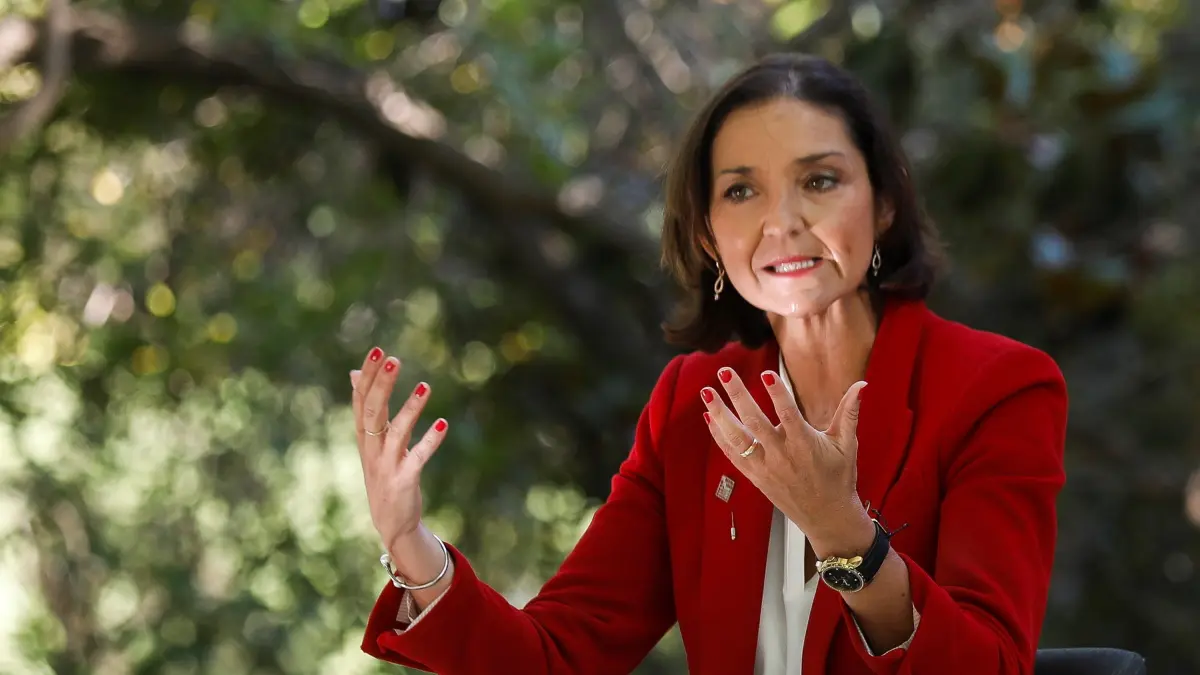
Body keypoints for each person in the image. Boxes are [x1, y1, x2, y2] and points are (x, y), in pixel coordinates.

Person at [349, 53, 1067, 675]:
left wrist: (847, 538)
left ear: (883, 203)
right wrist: (412, 547)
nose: (782, 221)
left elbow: (993, 665)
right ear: (707, 235)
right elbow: (556, 655)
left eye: (820, 181)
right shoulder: (693, 404)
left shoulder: (996, 388)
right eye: (741, 191)